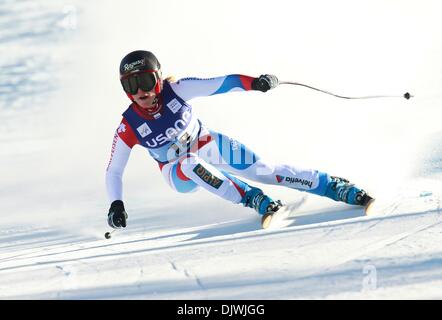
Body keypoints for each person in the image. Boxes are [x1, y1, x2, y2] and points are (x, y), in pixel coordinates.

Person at [106, 50, 373, 229]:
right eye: (131, 85)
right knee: (189, 163)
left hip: (206, 143)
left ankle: (335, 187)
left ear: (158, 79)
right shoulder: (129, 125)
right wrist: (116, 204)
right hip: (177, 173)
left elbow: (222, 83)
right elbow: (114, 171)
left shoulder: (177, 90)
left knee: (264, 170)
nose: (140, 91)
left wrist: (256, 83)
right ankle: (253, 199)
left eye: (145, 81)